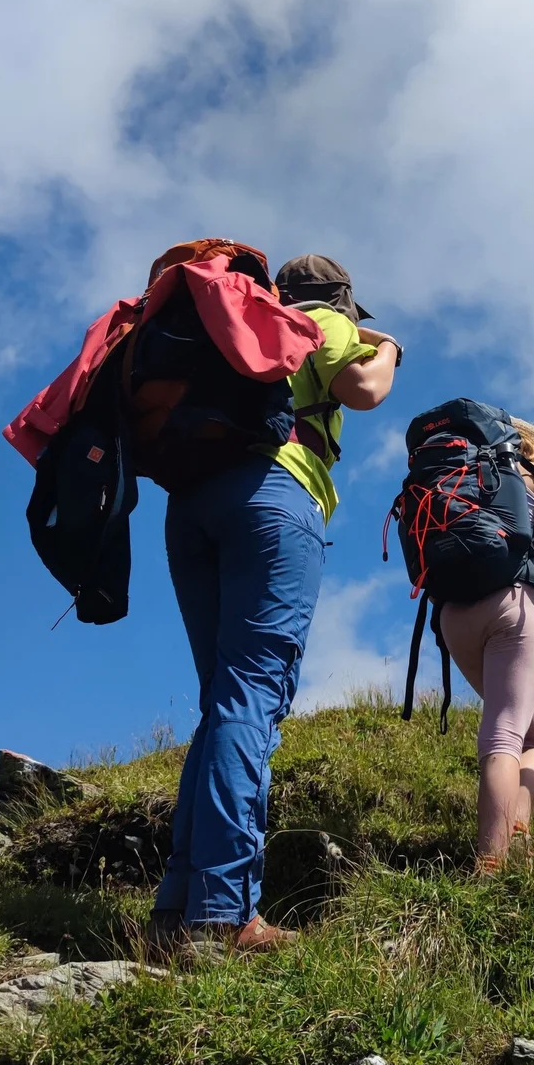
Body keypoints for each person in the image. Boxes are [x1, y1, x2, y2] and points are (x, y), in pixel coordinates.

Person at [147, 253, 399, 956]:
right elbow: (364, 390)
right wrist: (391, 350)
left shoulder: (236, 324)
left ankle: (176, 909)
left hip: (189, 505)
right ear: (343, 299)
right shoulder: (318, 320)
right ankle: (225, 916)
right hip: (273, 493)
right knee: (251, 698)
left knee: (222, 701)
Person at [437, 418, 534, 871]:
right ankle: (491, 862)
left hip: (452, 615)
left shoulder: (457, 472)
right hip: (514, 601)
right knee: (505, 734)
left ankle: (517, 825)